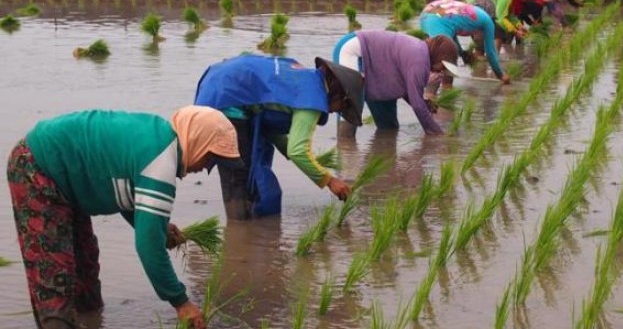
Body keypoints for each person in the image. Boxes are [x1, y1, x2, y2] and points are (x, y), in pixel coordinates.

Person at [6, 105, 243, 329]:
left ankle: (91, 321)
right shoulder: (160, 163)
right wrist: (181, 302)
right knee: (55, 272)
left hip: (69, 178)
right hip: (38, 166)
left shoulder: (159, 136)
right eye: (210, 158)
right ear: (197, 140)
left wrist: (160, 228)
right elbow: (148, 247)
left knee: (84, 265)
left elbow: (124, 193)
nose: (206, 167)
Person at [194, 53, 364, 219]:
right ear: (339, 94)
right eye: (342, 107)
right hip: (226, 100)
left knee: (245, 176)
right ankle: (238, 231)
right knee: (239, 177)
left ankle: (244, 231)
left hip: (216, 81)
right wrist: (329, 181)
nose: (336, 111)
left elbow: (270, 121)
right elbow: (298, 151)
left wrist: (294, 154)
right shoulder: (312, 99)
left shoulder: (305, 78)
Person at [331, 30, 459, 135]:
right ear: (437, 56)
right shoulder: (420, 60)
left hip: (378, 73)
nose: (441, 71)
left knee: (389, 129)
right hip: (353, 51)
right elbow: (417, 105)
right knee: (351, 108)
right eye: (442, 67)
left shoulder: (420, 54)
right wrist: (437, 134)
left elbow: (411, 93)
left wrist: (425, 103)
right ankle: (346, 158)